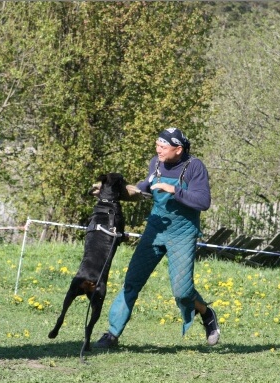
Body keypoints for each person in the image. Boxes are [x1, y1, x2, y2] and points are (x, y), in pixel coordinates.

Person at [94, 127, 220, 349]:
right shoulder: (156, 163)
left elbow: (203, 202)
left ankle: (206, 313)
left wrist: (174, 190)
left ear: (178, 149)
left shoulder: (194, 167)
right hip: (155, 230)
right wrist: (110, 190)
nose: (158, 150)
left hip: (182, 233)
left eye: (163, 146)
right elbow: (144, 189)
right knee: (132, 280)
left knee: (182, 291)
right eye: (157, 145)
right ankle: (112, 334)